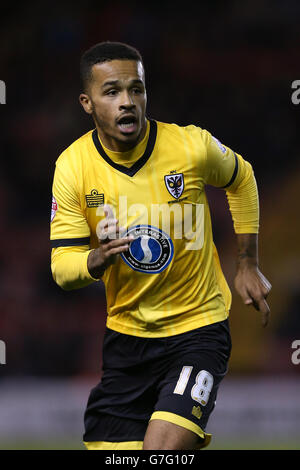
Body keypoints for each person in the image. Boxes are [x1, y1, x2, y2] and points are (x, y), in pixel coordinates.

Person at [50, 41, 271, 450]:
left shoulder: (191, 147)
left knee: (161, 453)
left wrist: (246, 263)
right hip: (127, 340)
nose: (128, 102)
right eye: (112, 91)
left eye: (137, 89)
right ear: (87, 102)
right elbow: (62, 267)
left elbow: (243, 178)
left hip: (198, 330)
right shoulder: (73, 167)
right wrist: (95, 259)